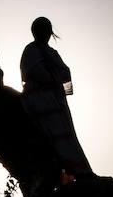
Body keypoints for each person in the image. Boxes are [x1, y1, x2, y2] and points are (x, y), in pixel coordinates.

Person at [20, 17, 93, 182]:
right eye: (42, 30)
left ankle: (77, 171)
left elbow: (64, 72)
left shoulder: (52, 52)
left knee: (66, 134)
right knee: (52, 133)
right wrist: (50, 76)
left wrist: (54, 76)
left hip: (55, 99)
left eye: (47, 30)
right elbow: (33, 71)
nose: (45, 34)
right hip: (38, 97)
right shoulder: (31, 50)